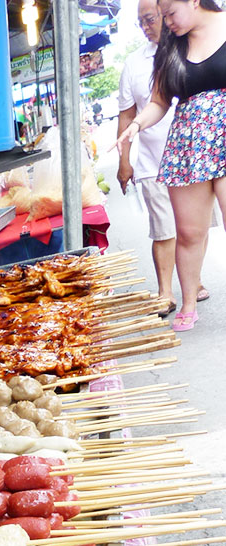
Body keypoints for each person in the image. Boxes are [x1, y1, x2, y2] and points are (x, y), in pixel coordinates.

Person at [115, 0, 226, 331]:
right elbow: (160, 101)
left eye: (169, 14)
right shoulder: (172, 46)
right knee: (189, 232)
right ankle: (189, 302)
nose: (167, 23)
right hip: (188, 143)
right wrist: (136, 125)